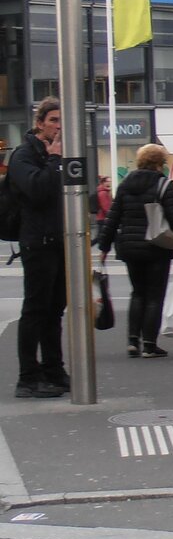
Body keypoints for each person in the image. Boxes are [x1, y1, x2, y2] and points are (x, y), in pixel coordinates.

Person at [98, 144, 173, 359]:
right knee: (154, 296)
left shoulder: (125, 184)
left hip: (130, 247)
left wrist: (104, 246)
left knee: (137, 292)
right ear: (159, 163)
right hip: (157, 247)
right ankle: (149, 344)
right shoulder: (163, 185)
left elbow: (113, 216)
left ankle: (132, 341)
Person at [7, 98, 68, 398]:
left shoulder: (57, 154)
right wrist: (55, 160)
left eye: (62, 121)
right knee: (35, 309)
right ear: (40, 122)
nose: (59, 127)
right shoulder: (24, 155)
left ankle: (54, 369)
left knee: (55, 310)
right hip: (37, 241)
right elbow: (38, 191)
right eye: (54, 120)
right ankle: (28, 377)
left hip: (59, 239)